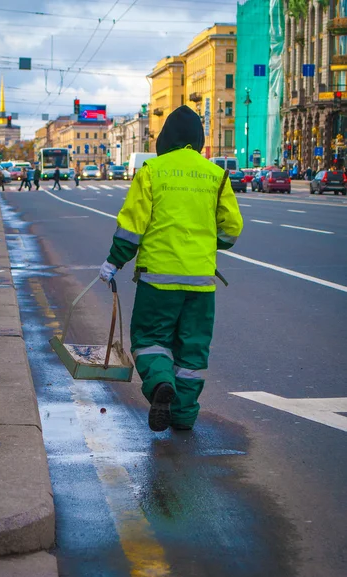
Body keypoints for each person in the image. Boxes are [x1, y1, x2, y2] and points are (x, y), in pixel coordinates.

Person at [99, 105, 243, 433]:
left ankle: (161, 381)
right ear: (198, 139)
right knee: (192, 351)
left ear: (167, 138)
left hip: (157, 281)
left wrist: (114, 261)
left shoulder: (152, 170)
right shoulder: (216, 174)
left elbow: (132, 225)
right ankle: (183, 416)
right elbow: (231, 229)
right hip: (201, 283)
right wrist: (206, 242)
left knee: (150, 339)